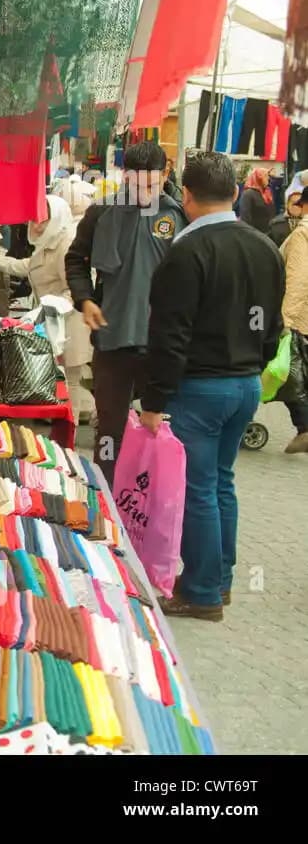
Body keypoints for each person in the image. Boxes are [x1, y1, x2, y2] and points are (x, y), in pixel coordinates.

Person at [140, 152, 285, 621]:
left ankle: (201, 592)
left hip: (201, 388)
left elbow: (169, 334)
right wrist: (253, 368)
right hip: (244, 385)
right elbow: (272, 326)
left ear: (184, 196)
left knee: (199, 488)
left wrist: (154, 400)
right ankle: (217, 581)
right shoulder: (264, 246)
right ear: (237, 192)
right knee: (221, 483)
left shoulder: (186, 252)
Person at [65, 141, 186, 486]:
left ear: (164, 174)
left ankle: (148, 499)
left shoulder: (177, 217)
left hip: (161, 345)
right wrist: (85, 299)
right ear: (124, 176)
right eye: (136, 184)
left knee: (158, 429)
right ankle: (104, 497)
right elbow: (76, 260)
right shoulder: (101, 214)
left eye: (151, 184)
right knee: (109, 431)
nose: (144, 192)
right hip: (113, 340)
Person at [0, 195, 95, 421]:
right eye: (34, 218)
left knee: (70, 385)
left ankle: (69, 441)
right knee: (62, 384)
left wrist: (42, 311)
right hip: (53, 326)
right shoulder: (48, 242)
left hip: (68, 327)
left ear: (56, 216)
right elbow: (31, 266)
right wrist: (0, 261)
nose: (36, 225)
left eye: (42, 219)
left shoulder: (65, 244)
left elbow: (73, 289)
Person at [278, 193, 308, 453]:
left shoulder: (302, 234)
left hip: (300, 317)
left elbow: (298, 280)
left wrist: (286, 321)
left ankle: (305, 428)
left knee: (291, 375)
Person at [237, 167, 275, 234]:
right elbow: (245, 218)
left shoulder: (267, 192)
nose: (268, 179)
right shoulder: (248, 194)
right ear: (258, 177)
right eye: (266, 176)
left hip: (269, 233)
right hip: (255, 234)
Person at [268, 181, 303, 248]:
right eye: (293, 203)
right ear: (287, 205)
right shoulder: (276, 224)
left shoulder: (306, 223)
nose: (296, 207)